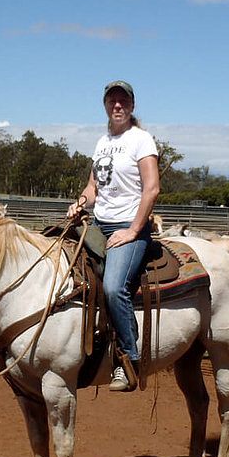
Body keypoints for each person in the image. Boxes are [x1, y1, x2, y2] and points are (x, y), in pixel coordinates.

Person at [67, 80, 160, 392]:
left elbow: (152, 188)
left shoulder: (141, 140)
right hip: (100, 224)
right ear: (105, 105)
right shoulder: (101, 142)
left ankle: (128, 359)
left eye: (123, 101)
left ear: (132, 106)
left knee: (113, 287)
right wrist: (78, 204)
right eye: (112, 101)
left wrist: (133, 230)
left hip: (130, 227)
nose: (117, 105)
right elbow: (93, 188)